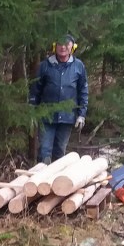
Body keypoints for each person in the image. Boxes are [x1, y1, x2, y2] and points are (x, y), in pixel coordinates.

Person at [28, 33, 89, 164]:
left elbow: (83, 91)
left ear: (72, 47)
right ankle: (42, 174)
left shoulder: (78, 66)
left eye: (66, 44)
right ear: (55, 46)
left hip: (67, 117)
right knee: (44, 150)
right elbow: (35, 89)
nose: (63, 47)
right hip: (46, 116)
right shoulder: (45, 65)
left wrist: (81, 115)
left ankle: (57, 176)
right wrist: (32, 109)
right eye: (60, 44)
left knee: (60, 151)